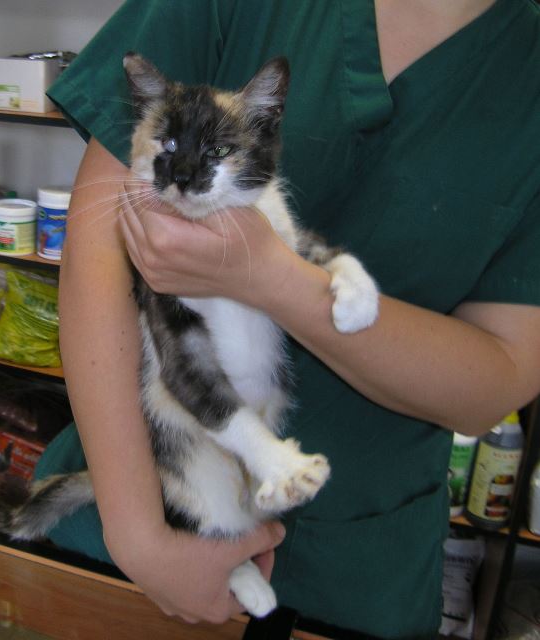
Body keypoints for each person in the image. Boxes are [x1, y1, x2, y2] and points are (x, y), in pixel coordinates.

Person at [34, 0, 540, 637]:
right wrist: (141, 536)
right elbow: (97, 242)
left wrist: (275, 281)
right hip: (148, 501)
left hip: (356, 566)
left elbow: (495, 380)